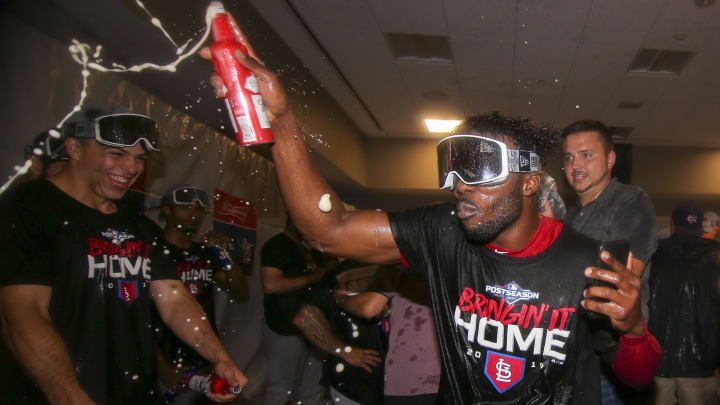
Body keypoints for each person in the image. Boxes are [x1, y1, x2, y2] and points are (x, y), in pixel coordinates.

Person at [201, 24, 661, 404]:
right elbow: (328, 229)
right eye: (453, 169)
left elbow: (638, 380)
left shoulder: (586, 262)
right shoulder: (445, 232)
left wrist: (636, 329)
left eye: (480, 169)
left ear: (528, 182)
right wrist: (281, 120)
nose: (461, 185)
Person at [0, 106, 246, 405]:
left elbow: (173, 297)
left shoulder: (138, 224)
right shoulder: (29, 208)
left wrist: (219, 356)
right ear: (74, 148)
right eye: (117, 154)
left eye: (140, 158)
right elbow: (23, 314)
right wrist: (69, 396)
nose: (131, 167)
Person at [561, 119, 658, 404]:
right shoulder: (569, 216)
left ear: (611, 158)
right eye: (568, 157)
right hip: (573, 358)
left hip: (610, 362)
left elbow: (613, 288)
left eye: (586, 154)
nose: (575, 165)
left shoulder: (630, 202)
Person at [153, 185, 248, 404]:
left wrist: (223, 255)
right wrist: (160, 365)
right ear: (167, 210)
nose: (193, 214)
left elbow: (240, 291)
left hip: (202, 354)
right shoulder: (154, 250)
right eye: (185, 207)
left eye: (198, 209)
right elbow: (140, 315)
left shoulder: (203, 252)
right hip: (164, 355)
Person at [335, 264, 442, 405]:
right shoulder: (461, 258)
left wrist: (340, 298)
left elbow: (368, 307)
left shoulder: (402, 259)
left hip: (413, 376)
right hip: (453, 377)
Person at [648, 202, 720, 405]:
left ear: (673, 225)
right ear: (701, 226)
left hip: (656, 362)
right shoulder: (716, 256)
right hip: (699, 364)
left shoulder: (654, 255)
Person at [260, 218, 336, 405]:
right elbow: (270, 284)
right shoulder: (277, 245)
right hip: (285, 326)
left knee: (314, 388)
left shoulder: (310, 248)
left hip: (315, 326)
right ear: (292, 219)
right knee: (282, 389)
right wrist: (311, 278)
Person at [293, 264, 386, 405]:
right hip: (357, 384)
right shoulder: (341, 275)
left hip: (387, 382)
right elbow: (304, 318)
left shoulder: (391, 268)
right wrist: (344, 351)